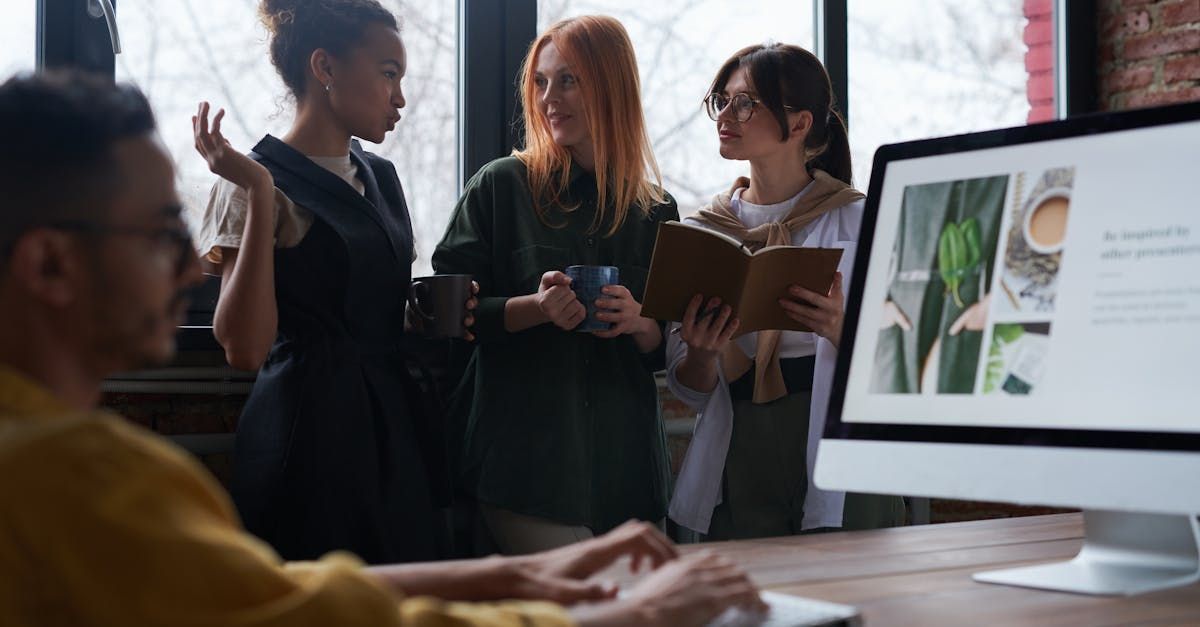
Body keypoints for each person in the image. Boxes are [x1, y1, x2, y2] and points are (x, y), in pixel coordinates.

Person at [0, 70, 767, 627]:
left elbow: (298, 594)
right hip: (333, 427)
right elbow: (303, 613)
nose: (184, 263)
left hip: (401, 428)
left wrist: (535, 575)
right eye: (159, 233)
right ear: (49, 265)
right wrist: (622, 615)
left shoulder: (64, 458)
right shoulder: (79, 474)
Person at [194, 0, 471, 563]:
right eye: (388, 74)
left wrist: (424, 313)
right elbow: (245, 348)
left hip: (393, 427)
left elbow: (371, 303)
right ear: (325, 68)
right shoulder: (247, 181)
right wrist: (262, 191)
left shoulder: (383, 177)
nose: (400, 98)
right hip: (307, 434)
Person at [432, 15, 677, 554]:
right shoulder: (500, 186)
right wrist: (536, 309)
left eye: (568, 80)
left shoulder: (657, 212)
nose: (548, 98)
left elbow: (665, 350)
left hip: (629, 471)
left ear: (611, 86)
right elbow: (447, 317)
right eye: (540, 82)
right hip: (523, 469)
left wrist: (640, 324)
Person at [666, 43, 907, 541]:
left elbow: (907, 364)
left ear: (798, 125)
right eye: (722, 100)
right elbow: (688, 387)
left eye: (746, 102)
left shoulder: (861, 221)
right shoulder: (702, 232)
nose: (726, 115)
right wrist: (701, 354)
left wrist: (843, 329)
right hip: (740, 448)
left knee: (853, 604)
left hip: (839, 447)